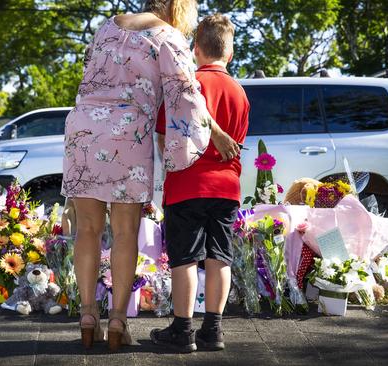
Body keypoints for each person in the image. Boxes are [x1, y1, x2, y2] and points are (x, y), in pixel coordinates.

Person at [61, 0, 240, 352]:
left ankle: (87, 317)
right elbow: (188, 94)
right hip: (128, 135)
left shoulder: (106, 27)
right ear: (179, 9)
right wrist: (215, 134)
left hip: (83, 129)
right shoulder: (168, 36)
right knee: (125, 232)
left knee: (88, 229)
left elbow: (88, 75)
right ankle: (117, 321)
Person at [150, 13, 250, 353]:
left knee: (185, 258)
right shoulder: (239, 92)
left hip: (187, 185)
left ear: (195, 50)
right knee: (219, 256)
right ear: (230, 54)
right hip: (226, 188)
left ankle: (183, 328)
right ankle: (214, 329)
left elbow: (164, 135)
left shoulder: (188, 84)